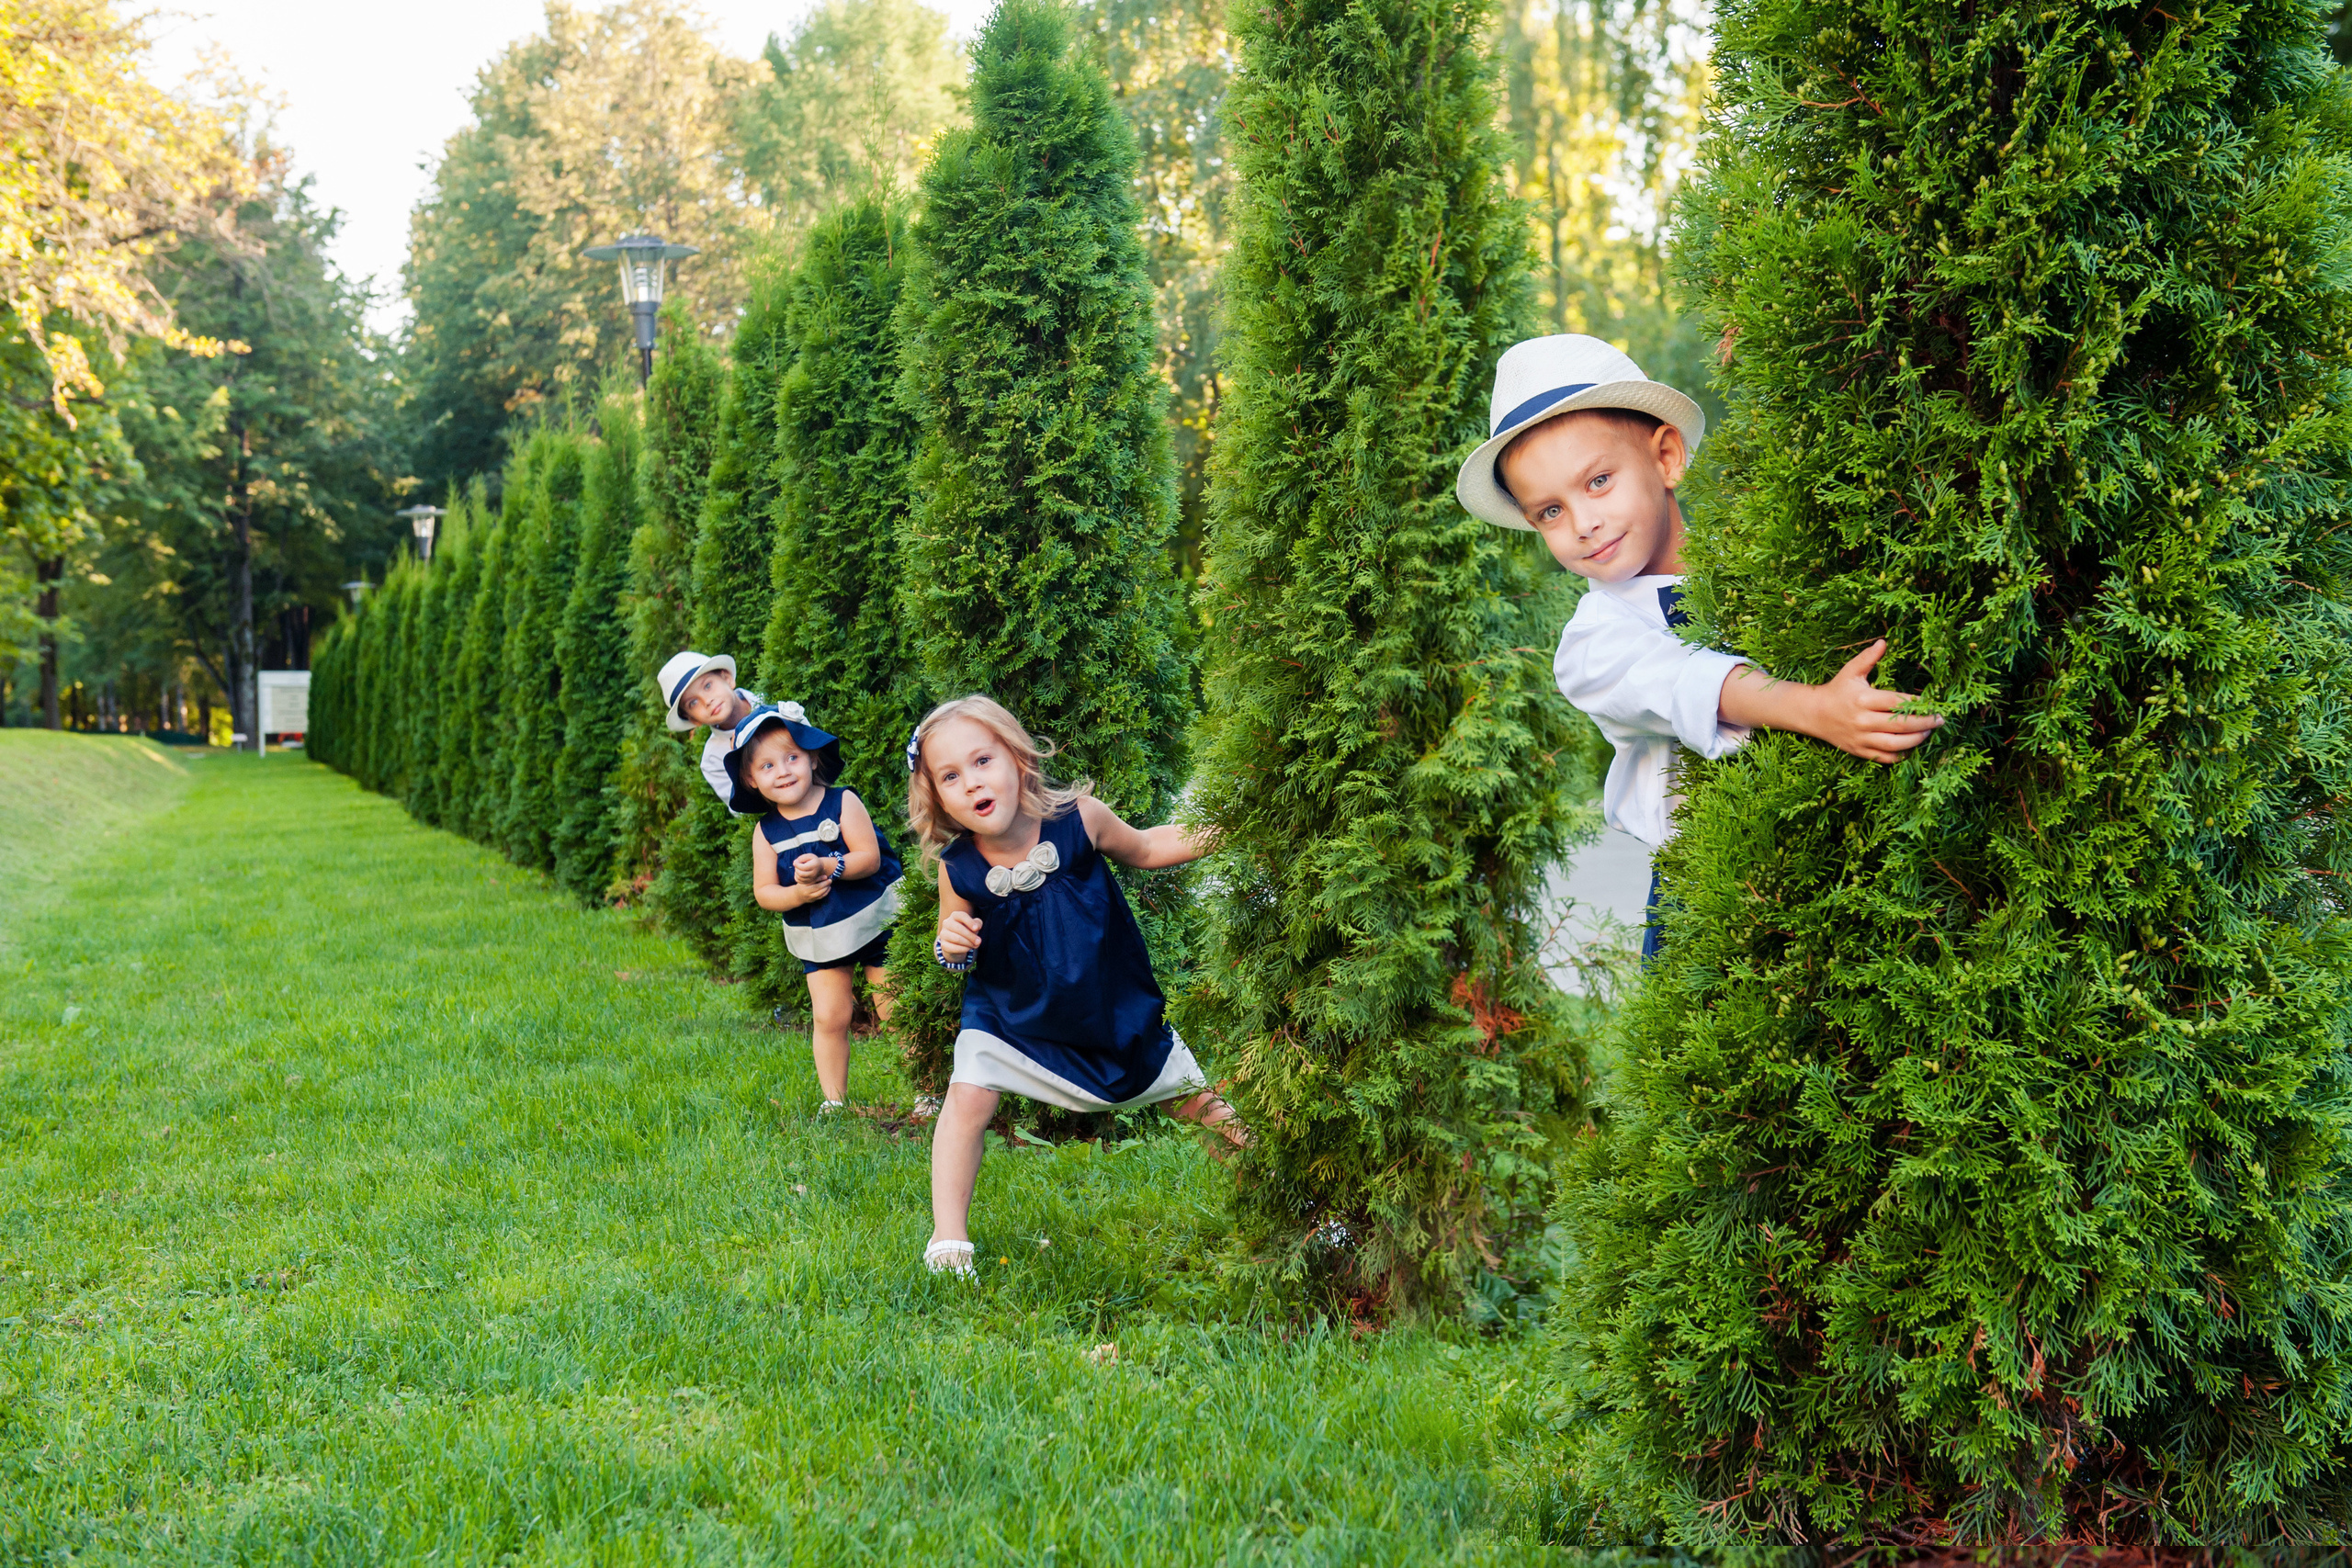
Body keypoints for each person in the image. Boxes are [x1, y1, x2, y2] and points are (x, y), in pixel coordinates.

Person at [1453, 334, 1941, 954]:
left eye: (1598, 481)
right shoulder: (1591, 642)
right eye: (1549, 511)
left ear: (1666, 457)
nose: (1582, 523)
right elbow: (1684, 677)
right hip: (1701, 885)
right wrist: (1818, 709)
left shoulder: (1749, 566)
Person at [907, 695, 1244, 1277]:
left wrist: (1229, 829)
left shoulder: (1080, 820)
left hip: (1107, 1008)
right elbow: (950, 943)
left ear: (1017, 759)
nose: (971, 783)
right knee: (967, 1099)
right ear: (937, 797)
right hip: (1011, 1019)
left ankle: (1285, 1195)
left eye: (982, 761)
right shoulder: (958, 866)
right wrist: (951, 944)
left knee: (1196, 1101)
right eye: (951, 777)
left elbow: (1148, 847)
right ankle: (948, 1240)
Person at [726, 705, 899, 1113]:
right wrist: (798, 896)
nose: (783, 770)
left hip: (873, 918)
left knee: (895, 1007)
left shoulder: (842, 802)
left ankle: (929, 1093)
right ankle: (834, 1101)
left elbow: (870, 858)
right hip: (820, 932)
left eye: (792, 757)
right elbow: (765, 892)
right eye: (767, 765)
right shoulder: (766, 832)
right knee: (830, 1016)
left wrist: (829, 866)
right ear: (752, 780)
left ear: (812, 757)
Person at [657, 649, 806, 816]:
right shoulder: (713, 760)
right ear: (694, 720)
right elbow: (743, 811)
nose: (707, 701)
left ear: (727, 679)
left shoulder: (775, 697)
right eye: (693, 703)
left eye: (707, 686)